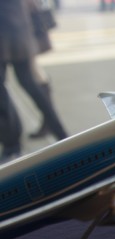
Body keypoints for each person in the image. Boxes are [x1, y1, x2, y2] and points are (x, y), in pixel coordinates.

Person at [0, 0, 67, 161]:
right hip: (18, 31)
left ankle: (12, 146)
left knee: (24, 86)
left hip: (8, 32)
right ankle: (61, 133)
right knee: (30, 84)